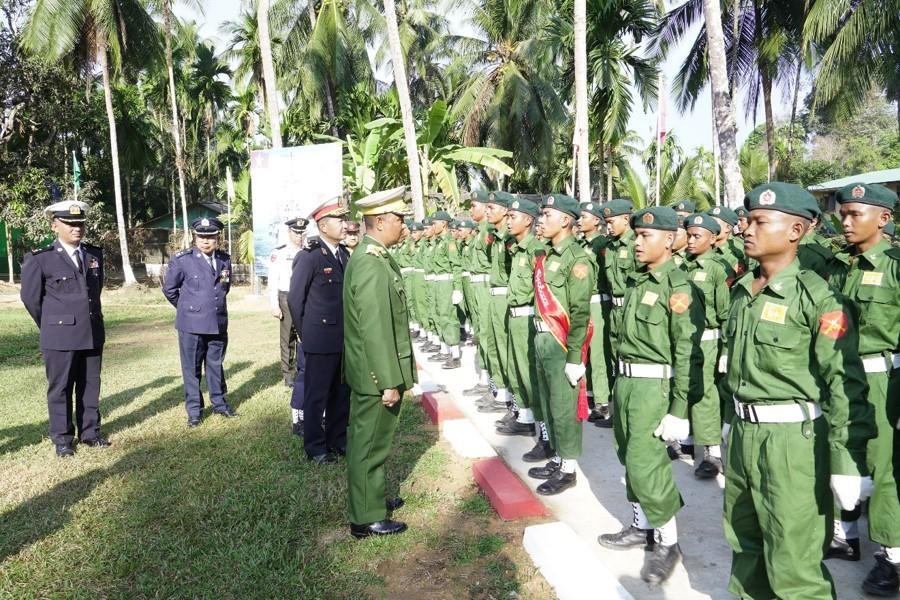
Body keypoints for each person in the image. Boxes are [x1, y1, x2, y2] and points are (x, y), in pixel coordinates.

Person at [722, 182, 874, 599]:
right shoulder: (743, 290)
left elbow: (844, 384)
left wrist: (848, 462)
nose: (747, 229)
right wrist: (729, 421)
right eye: (747, 221)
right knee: (745, 544)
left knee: (794, 563)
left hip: (793, 443)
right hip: (744, 436)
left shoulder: (819, 299)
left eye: (760, 222)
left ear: (795, 231)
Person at [597, 206, 704, 585]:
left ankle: (668, 542)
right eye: (637, 236)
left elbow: (687, 352)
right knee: (627, 456)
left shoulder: (678, 287)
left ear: (670, 239)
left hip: (653, 388)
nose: (637, 242)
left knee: (647, 464)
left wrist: (679, 408)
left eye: (646, 236)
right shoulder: (638, 280)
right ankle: (641, 526)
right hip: (627, 384)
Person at [829, 183, 900, 596]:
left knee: (883, 465)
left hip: (881, 379)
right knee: (842, 451)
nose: (846, 221)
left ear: (884, 218)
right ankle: (846, 536)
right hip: (840, 375)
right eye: (843, 213)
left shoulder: (895, 266)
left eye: (855, 213)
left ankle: (891, 557)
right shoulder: (840, 265)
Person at [343, 187, 415, 539]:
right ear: (381, 221)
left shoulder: (374, 256)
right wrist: (387, 380)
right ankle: (366, 516)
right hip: (375, 374)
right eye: (399, 218)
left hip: (372, 370)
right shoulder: (371, 263)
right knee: (369, 445)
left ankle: (371, 498)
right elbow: (375, 329)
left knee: (372, 441)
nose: (403, 225)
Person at [20, 199, 109, 456]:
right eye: (70, 223)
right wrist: (52, 324)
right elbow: (31, 300)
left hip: (92, 332)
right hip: (59, 335)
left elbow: (95, 291)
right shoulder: (41, 259)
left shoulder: (93, 254)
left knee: (90, 385)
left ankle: (90, 432)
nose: (76, 228)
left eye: (80, 223)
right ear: (54, 226)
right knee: (60, 388)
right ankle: (62, 439)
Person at [527, 194, 595, 496]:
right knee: (548, 402)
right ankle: (557, 457)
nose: (541, 220)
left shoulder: (577, 260)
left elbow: (580, 314)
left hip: (561, 343)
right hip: (542, 339)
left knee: (564, 407)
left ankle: (568, 468)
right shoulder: (547, 255)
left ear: (566, 220)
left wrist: (575, 357)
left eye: (547, 215)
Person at [288, 198, 351, 464]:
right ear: (323, 226)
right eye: (340, 220)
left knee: (341, 393)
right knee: (317, 395)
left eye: (345, 219)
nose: (345, 225)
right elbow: (295, 299)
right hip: (320, 338)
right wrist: (306, 334)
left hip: (343, 338)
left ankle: (338, 439)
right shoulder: (309, 257)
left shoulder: (344, 255)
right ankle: (315, 446)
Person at [162, 217, 237, 427]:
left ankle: (220, 404)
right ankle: (194, 411)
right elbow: (169, 289)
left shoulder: (224, 259)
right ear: (195, 237)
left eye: (210, 237)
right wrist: (189, 309)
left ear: (217, 238)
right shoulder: (183, 260)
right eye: (201, 236)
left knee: (215, 365)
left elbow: (224, 288)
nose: (206, 241)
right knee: (191, 369)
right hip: (192, 325)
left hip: (217, 322)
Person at [681, 213, 730, 478]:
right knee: (685, 388)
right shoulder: (683, 266)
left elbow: (725, 313)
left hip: (709, 339)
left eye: (696, 236)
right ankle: (687, 442)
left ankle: (713, 453)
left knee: (705, 394)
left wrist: (726, 350)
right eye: (688, 235)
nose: (690, 240)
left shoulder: (717, 270)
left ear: (712, 239)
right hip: (685, 339)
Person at [578, 202, 611, 428]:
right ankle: (589, 394)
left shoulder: (601, 244)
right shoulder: (582, 243)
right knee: (586, 350)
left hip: (598, 301)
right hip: (583, 301)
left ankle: (602, 402)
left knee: (598, 353)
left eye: (584, 217)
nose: (580, 221)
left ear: (596, 221)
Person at [268, 217, 307, 393]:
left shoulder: (308, 251)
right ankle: (288, 374)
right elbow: (273, 280)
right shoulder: (280, 253)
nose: (299, 236)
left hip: (306, 297)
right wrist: (274, 305)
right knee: (288, 337)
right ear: (289, 232)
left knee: (306, 335)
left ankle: (304, 368)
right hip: (286, 297)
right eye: (296, 233)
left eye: (302, 233)